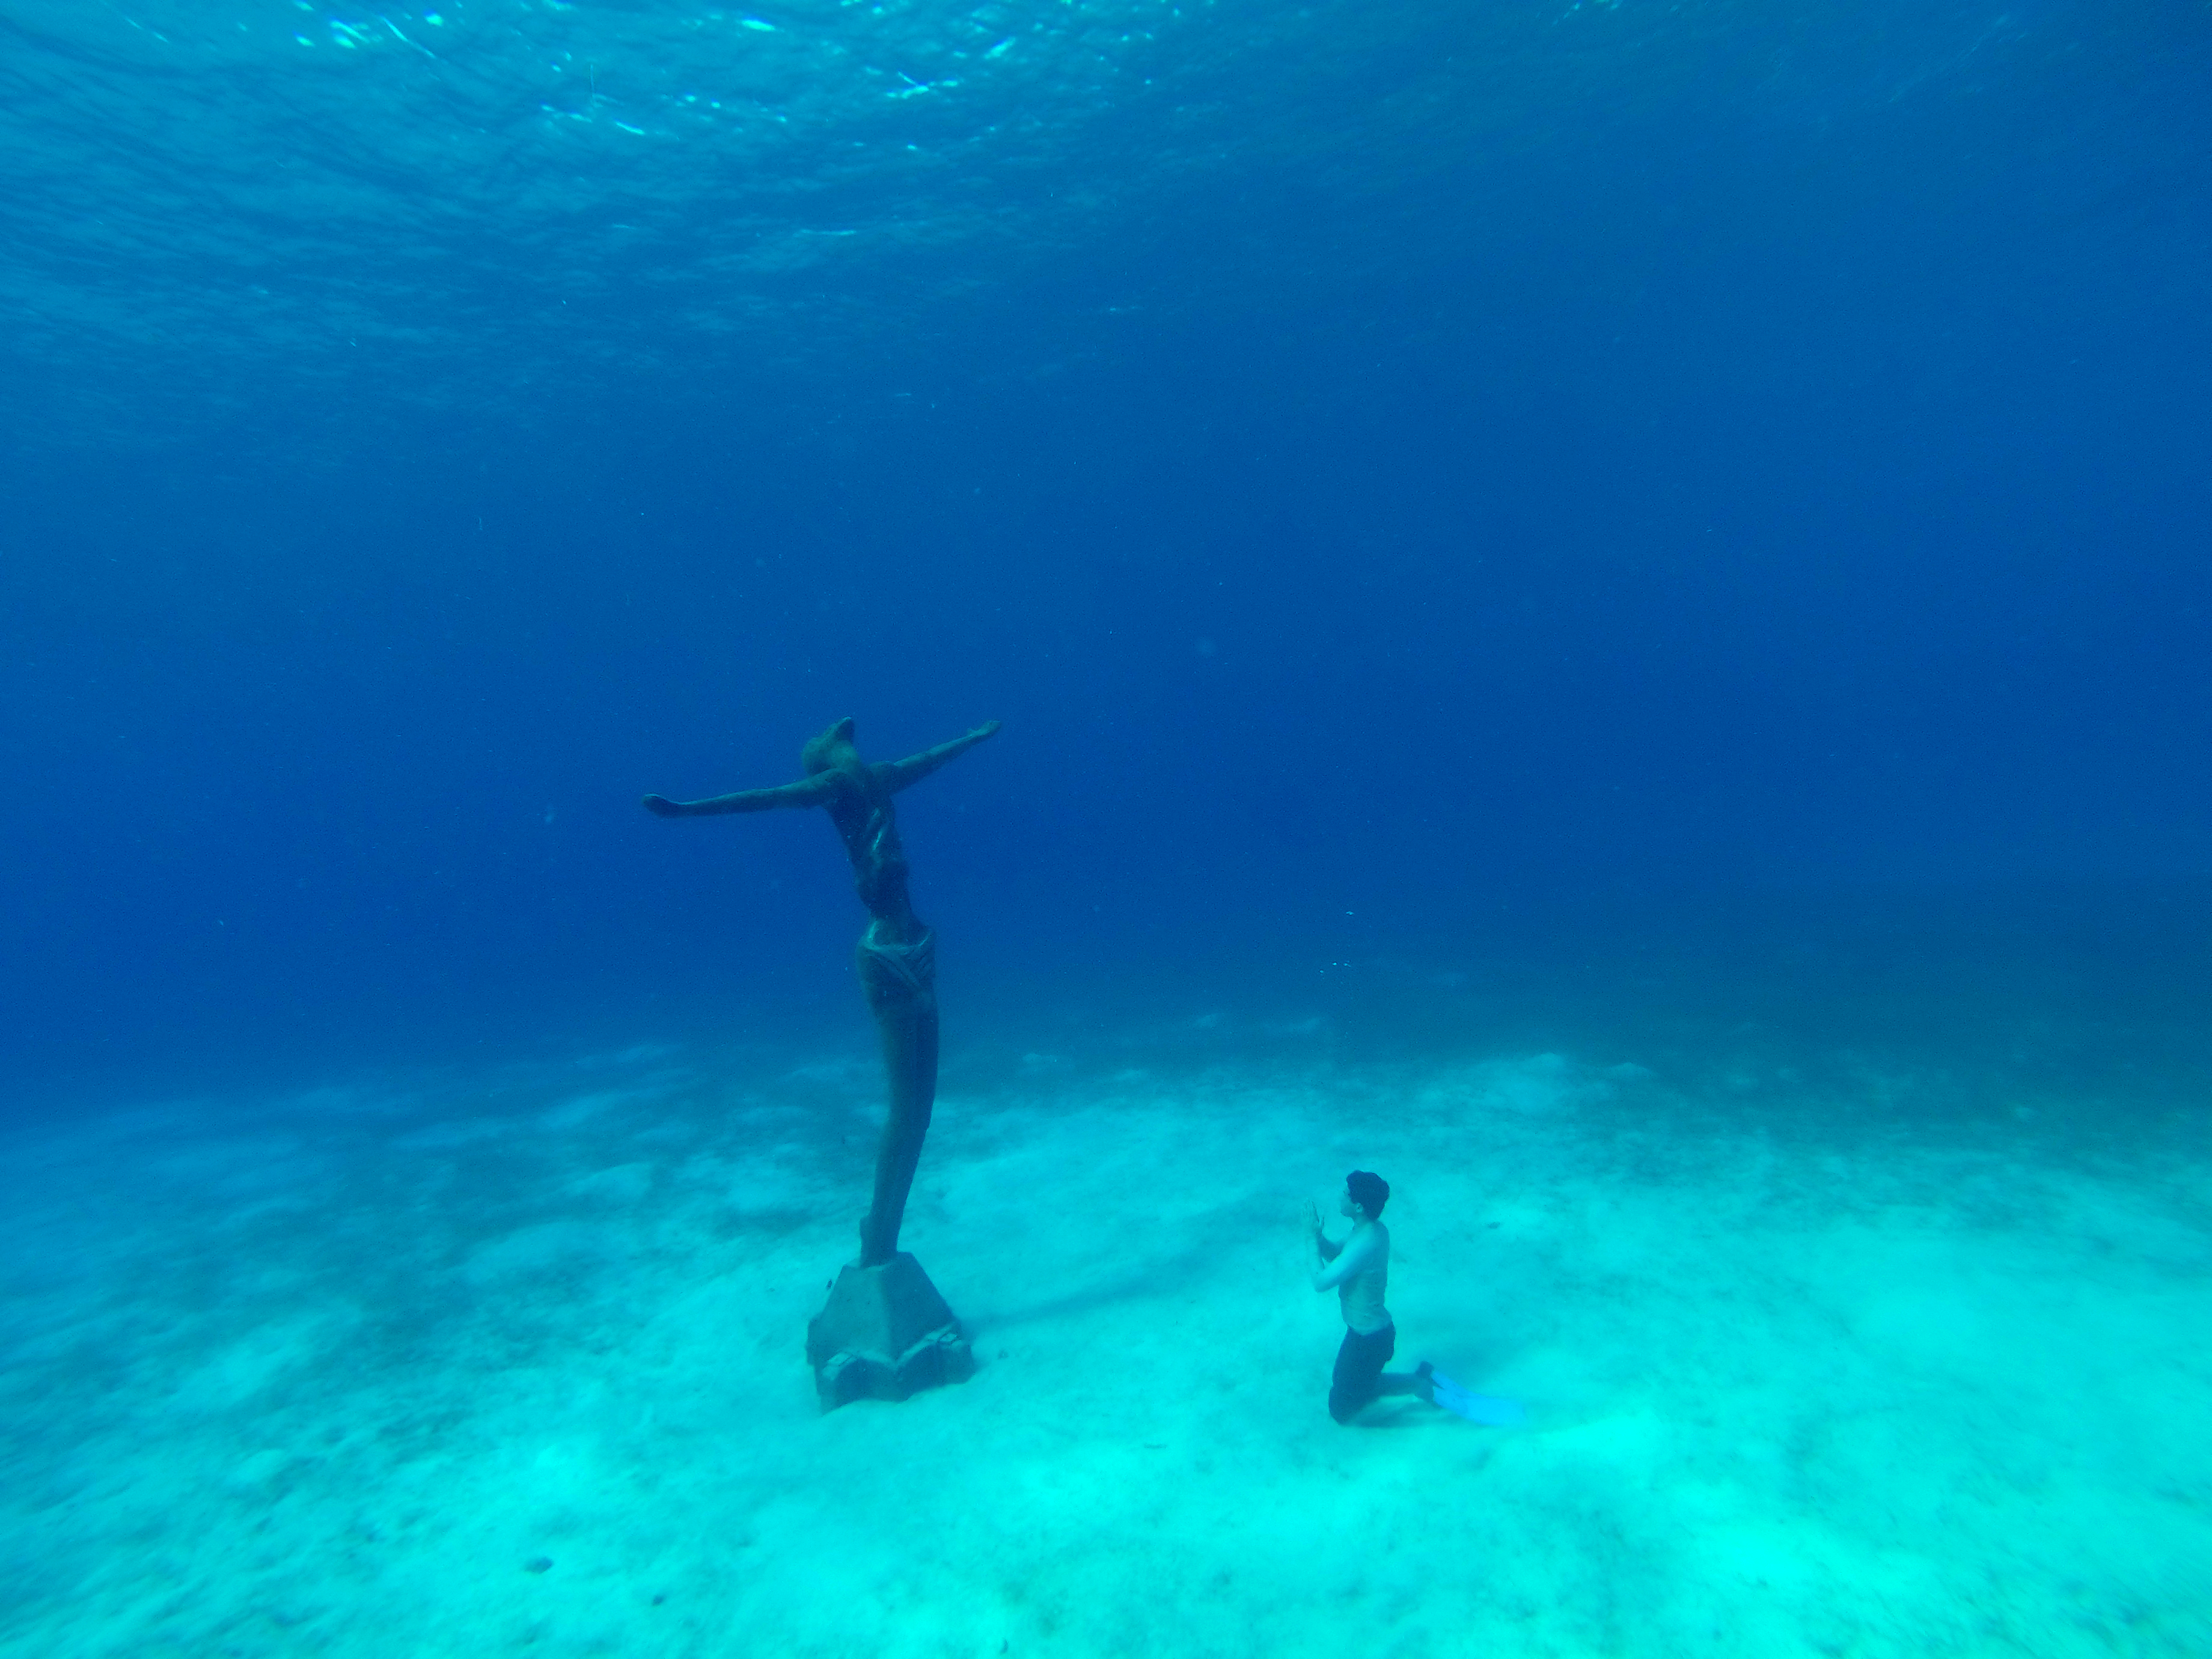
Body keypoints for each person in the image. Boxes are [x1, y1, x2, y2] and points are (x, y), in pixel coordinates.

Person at [1309, 1170, 1440, 1423]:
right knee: (1353, 1386)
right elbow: (1337, 1254)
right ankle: (1411, 1382)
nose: (1340, 1196)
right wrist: (1317, 1237)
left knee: (1342, 1411)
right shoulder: (1368, 1229)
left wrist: (1307, 1238)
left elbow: (1320, 1281)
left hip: (1369, 1338)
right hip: (1369, 1333)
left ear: (1358, 1206)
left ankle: (1419, 1386)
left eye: (1346, 1193)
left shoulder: (1367, 1240)